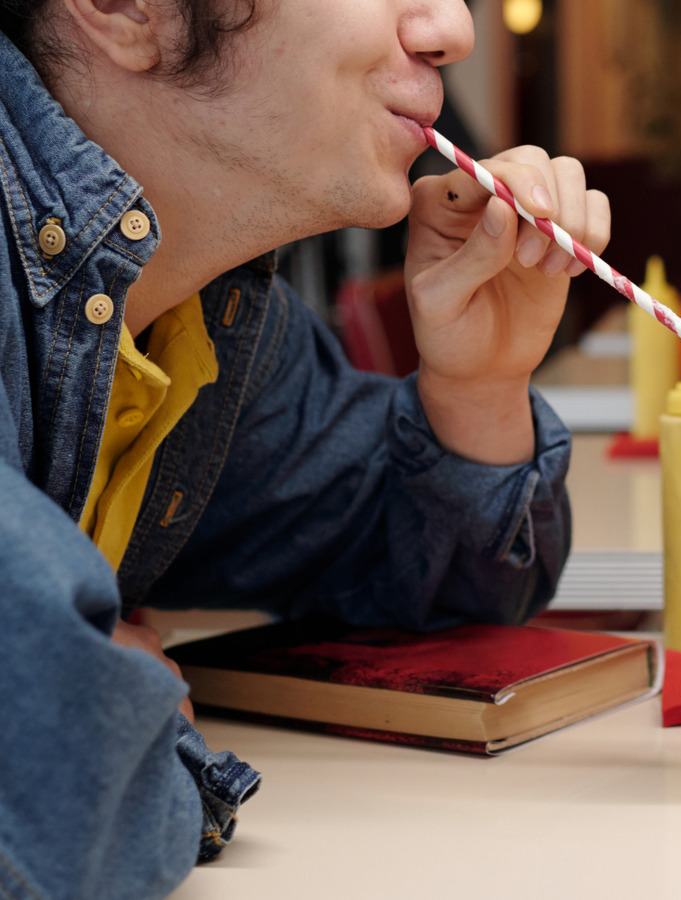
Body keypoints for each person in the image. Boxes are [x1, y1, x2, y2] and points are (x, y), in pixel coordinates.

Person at [0, 0, 607, 895]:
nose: (454, 30)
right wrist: (119, 714)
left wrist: (475, 391)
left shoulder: (204, 312)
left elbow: (444, 595)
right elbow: (60, 805)